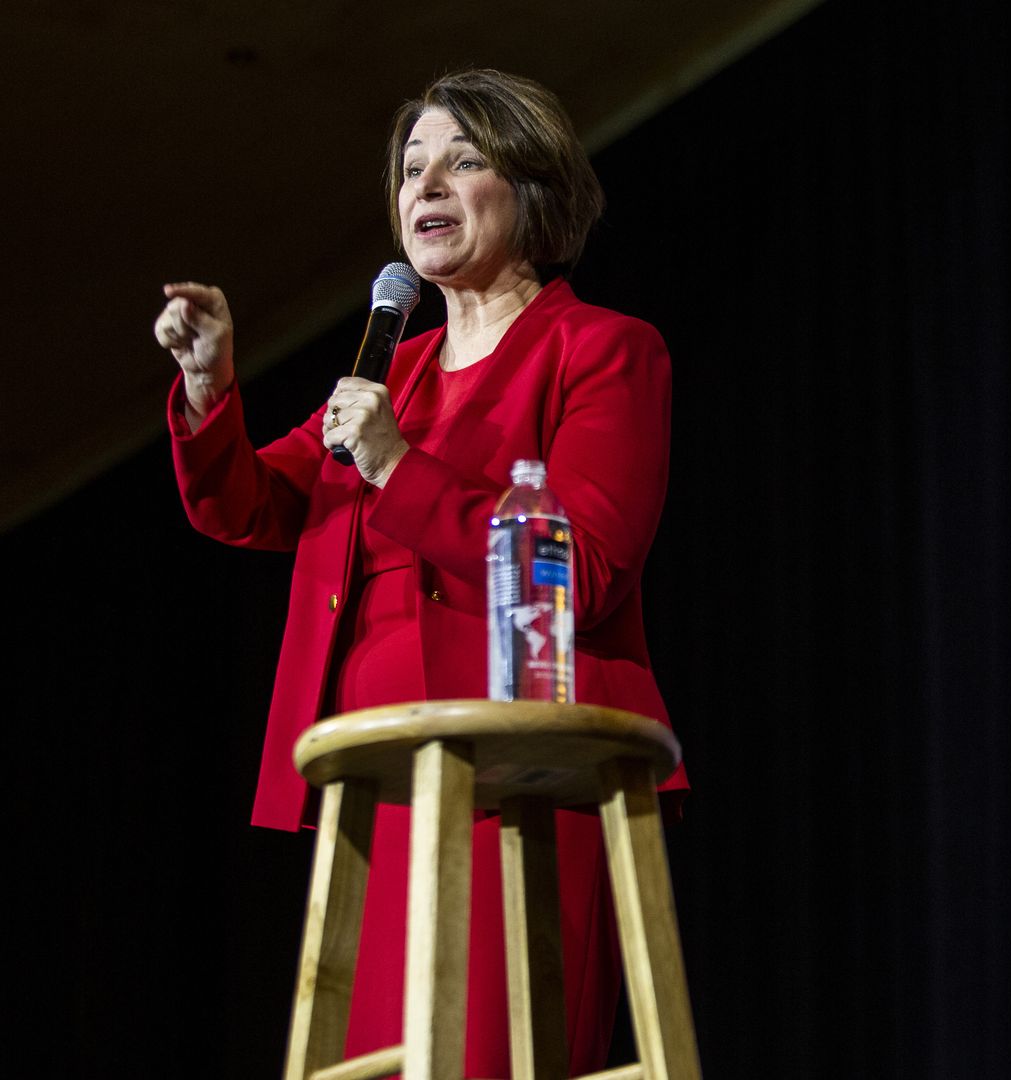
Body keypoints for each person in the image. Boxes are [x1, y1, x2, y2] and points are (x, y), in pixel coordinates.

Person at [153, 68, 683, 1075]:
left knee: (493, 1055)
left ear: (533, 188)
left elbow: (586, 567)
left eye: (464, 160)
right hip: (378, 782)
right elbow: (249, 507)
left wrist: (397, 464)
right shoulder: (384, 376)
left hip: (522, 773)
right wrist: (209, 385)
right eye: (410, 168)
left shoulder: (604, 350)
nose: (425, 185)